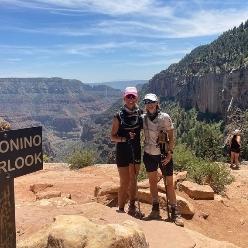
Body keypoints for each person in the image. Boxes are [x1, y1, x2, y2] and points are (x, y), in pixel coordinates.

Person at [142, 93, 184, 226]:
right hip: (149, 155)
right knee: (152, 183)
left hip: (163, 155)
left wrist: (170, 153)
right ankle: (155, 209)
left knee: (169, 185)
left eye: (152, 101)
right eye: (147, 102)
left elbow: (171, 137)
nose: (149, 104)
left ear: (157, 102)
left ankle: (175, 212)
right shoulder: (142, 118)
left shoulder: (165, 117)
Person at [110, 87, 144, 217]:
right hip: (122, 151)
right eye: (128, 96)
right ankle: (120, 209)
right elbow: (112, 136)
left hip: (135, 150)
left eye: (133, 97)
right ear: (124, 98)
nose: (131, 99)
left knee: (134, 180)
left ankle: (132, 206)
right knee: (124, 181)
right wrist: (124, 138)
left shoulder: (141, 114)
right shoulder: (118, 115)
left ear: (136, 98)